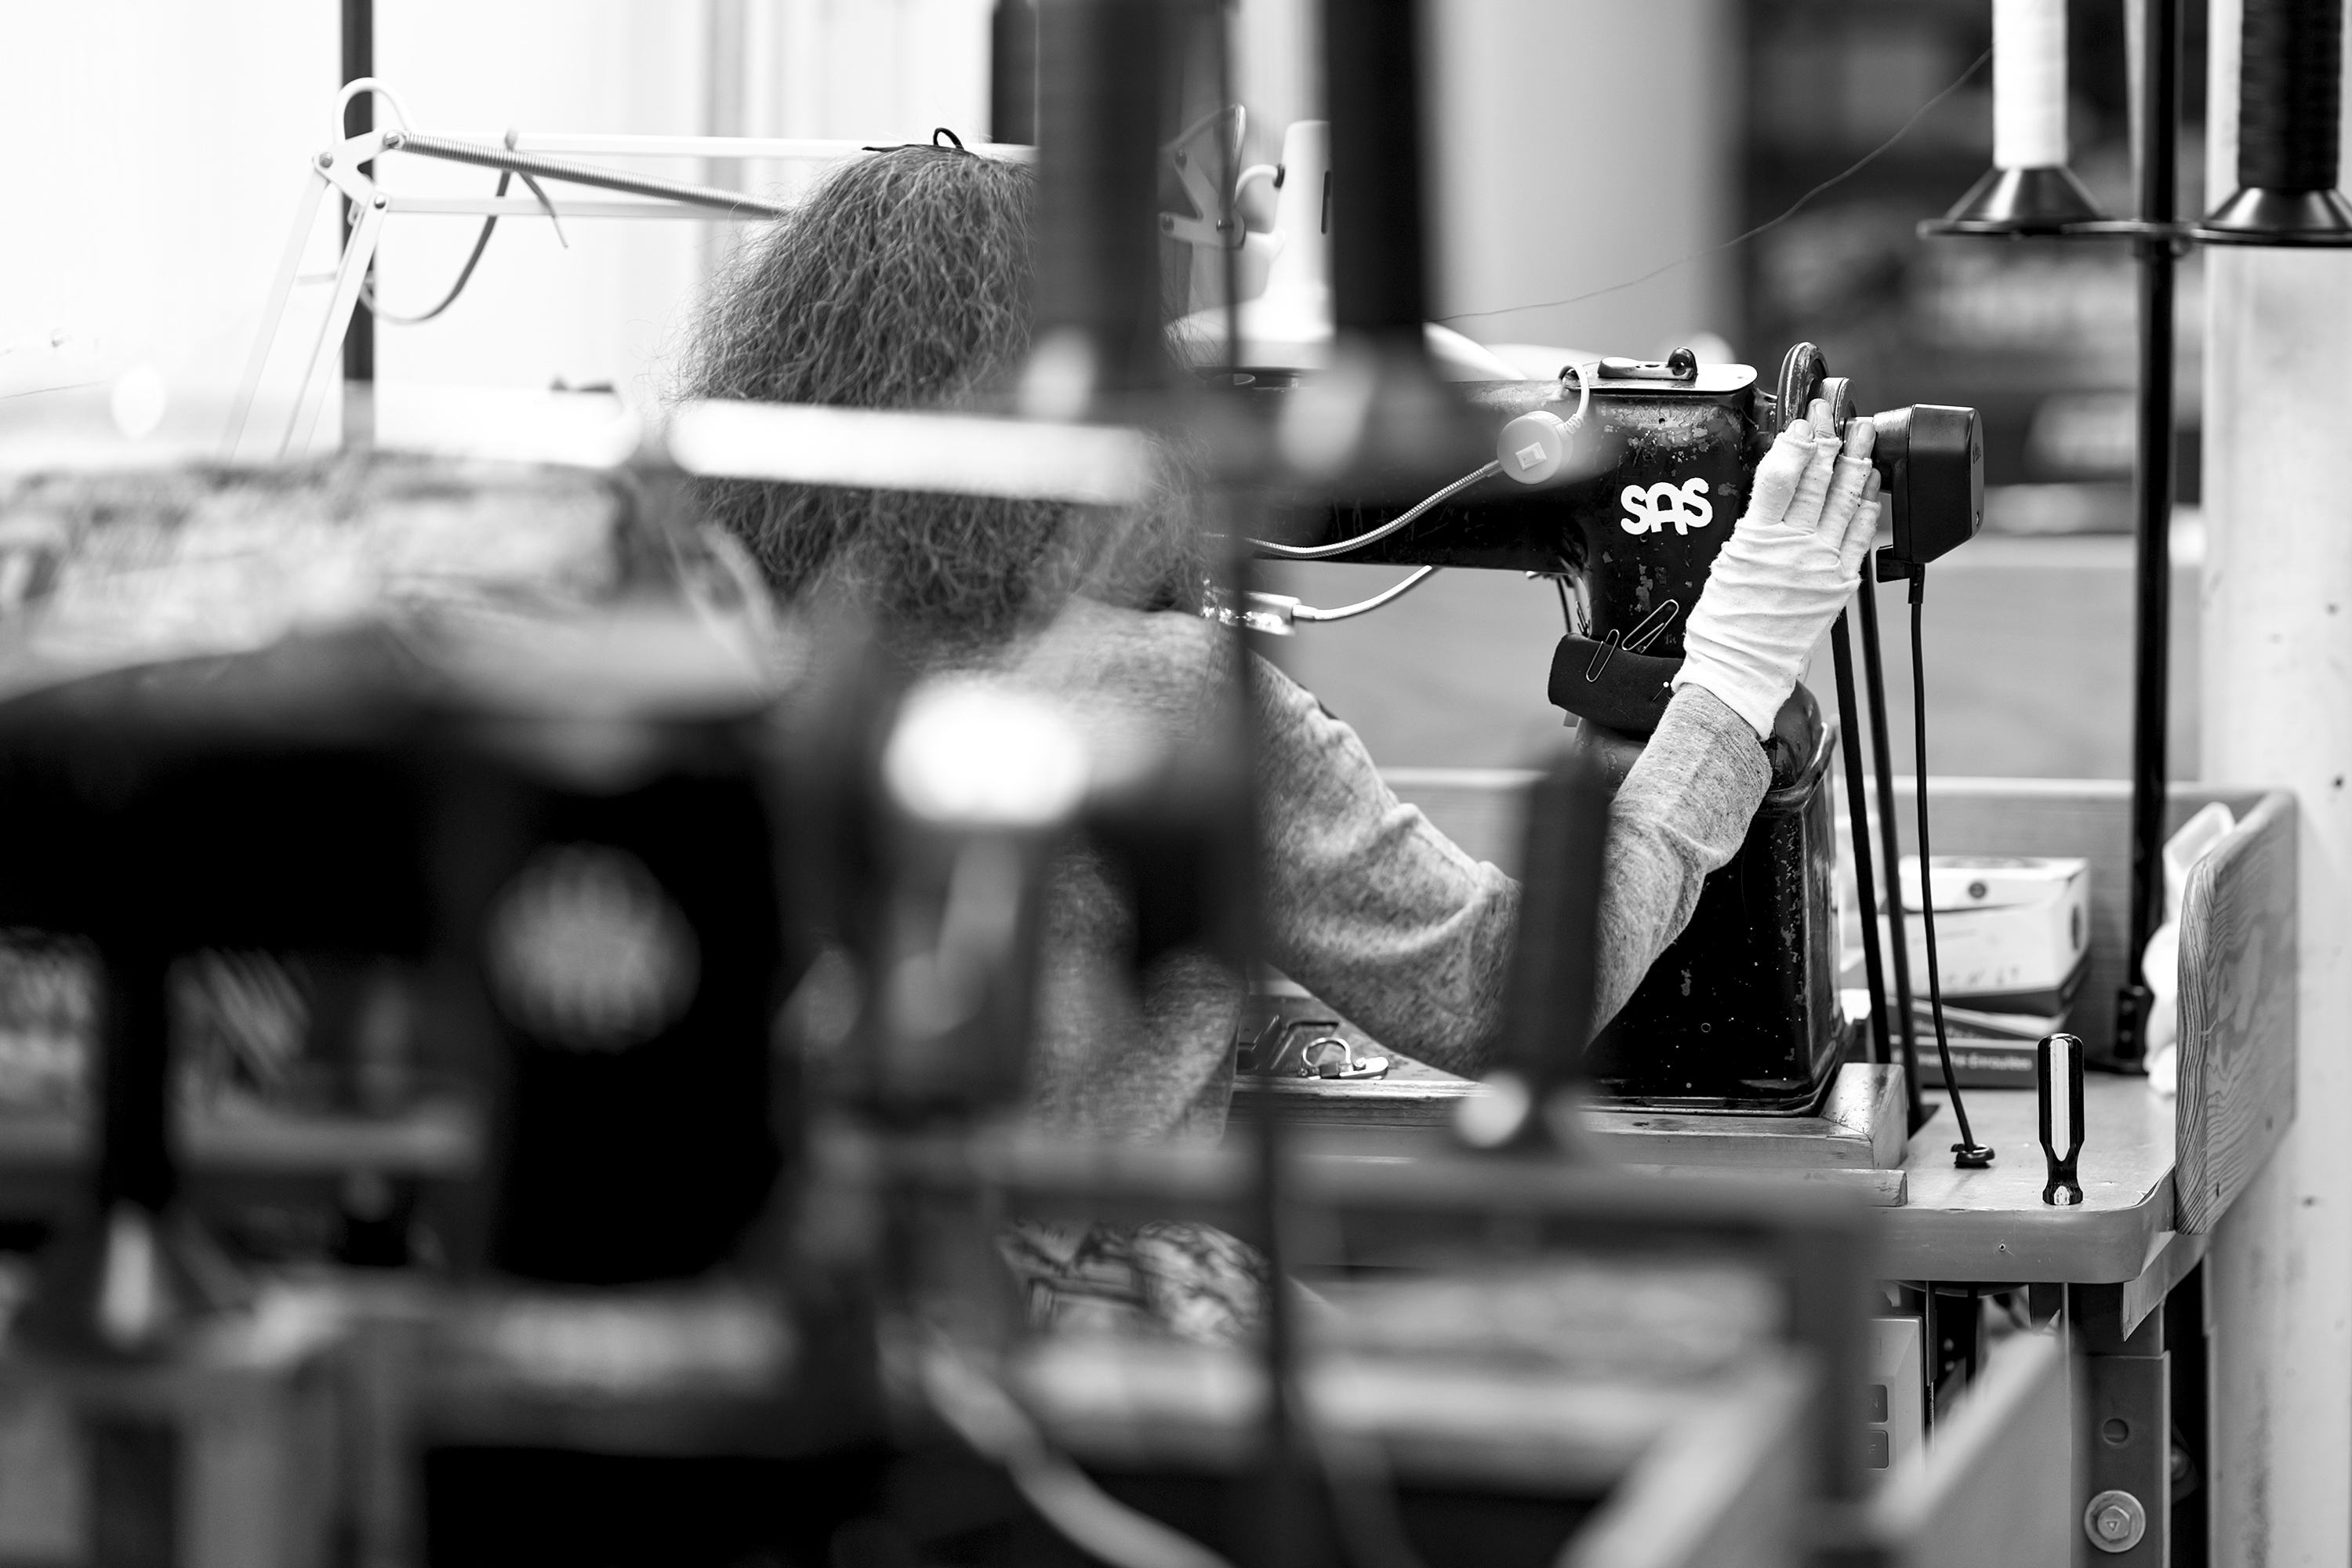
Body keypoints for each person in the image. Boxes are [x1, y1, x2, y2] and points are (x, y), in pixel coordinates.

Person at [684, 145, 1881, 1336]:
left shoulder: (714, 654)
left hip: (761, 1301)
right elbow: (1503, 994)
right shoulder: (1164, 692)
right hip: (1061, 1336)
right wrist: (1732, 682)